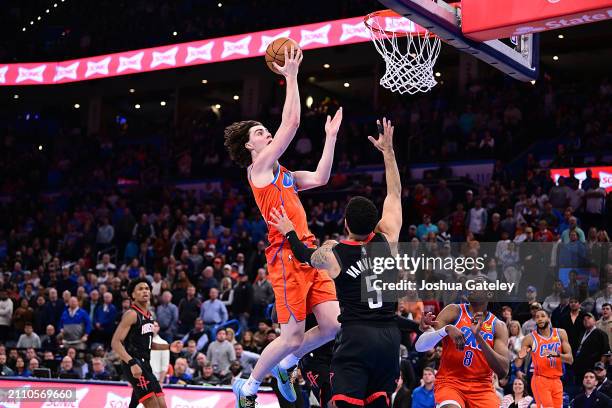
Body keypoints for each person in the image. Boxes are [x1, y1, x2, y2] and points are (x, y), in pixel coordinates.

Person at [225, 45, 343, 407]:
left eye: (265, 131)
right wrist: (291, 76)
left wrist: (331, 137)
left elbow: (322, 177)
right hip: (285, 255)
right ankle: (248, 385)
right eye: (261, 132)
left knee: (333, 325)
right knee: (291, 337)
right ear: (250, 145)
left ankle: (286, 365)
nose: (266, 134)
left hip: (310, 251)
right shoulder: (257, 171)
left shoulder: (286, 174)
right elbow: (290, 124)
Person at [269, 118, 403, 406]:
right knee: (379, 401)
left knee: (341, 402)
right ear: (375, 225)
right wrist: (388, 152)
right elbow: (394, 194)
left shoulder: (335, 253)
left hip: (357, 339)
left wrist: (290, 232)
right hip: (390, 340)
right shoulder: (388, 239)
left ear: (345, 224)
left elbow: (305, 256)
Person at [415, 280, 510, 408]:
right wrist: (446, 329)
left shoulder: (498, 326)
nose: (471, 286)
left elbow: (503, 370)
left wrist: (478, 337)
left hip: (482, 387)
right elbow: (420, 346)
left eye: (477, 284)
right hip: (450, 382)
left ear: (489, 294)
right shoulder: (453, 311)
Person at [111, 278, 182, 408]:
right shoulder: (132, 314)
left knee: (161, 405)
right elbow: (115, 343)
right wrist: (132, 363)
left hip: (146, 364)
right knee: (154, 405)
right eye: (140, 289)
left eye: (147, 289)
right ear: (133, 295)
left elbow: (149, 344)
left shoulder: (149, 316)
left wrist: (169, 346)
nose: (145, 291)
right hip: (134, 363)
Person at [515, 309, 573, 408]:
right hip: (540, 379)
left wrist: (555, 354)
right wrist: (520, 355)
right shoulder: (529, 338)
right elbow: (518, 363)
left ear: (549, 318)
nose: (540, 319)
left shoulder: (560, 333)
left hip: (557, 380)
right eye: (537, 317)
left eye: (542, 316)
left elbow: (570, 360)